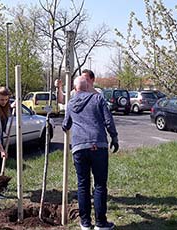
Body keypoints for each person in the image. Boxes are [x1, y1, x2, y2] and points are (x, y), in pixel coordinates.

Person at [62, 76, 119, 230]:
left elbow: (65, 124)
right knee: (100, 185)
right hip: (98, 145)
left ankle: (85, 223)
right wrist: (114, 137)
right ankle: (101, 223)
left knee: (83, 185)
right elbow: (108, 120)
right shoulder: (97, 99)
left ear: (75, 89)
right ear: (87, 86)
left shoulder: (70, 103)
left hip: (79, 148)